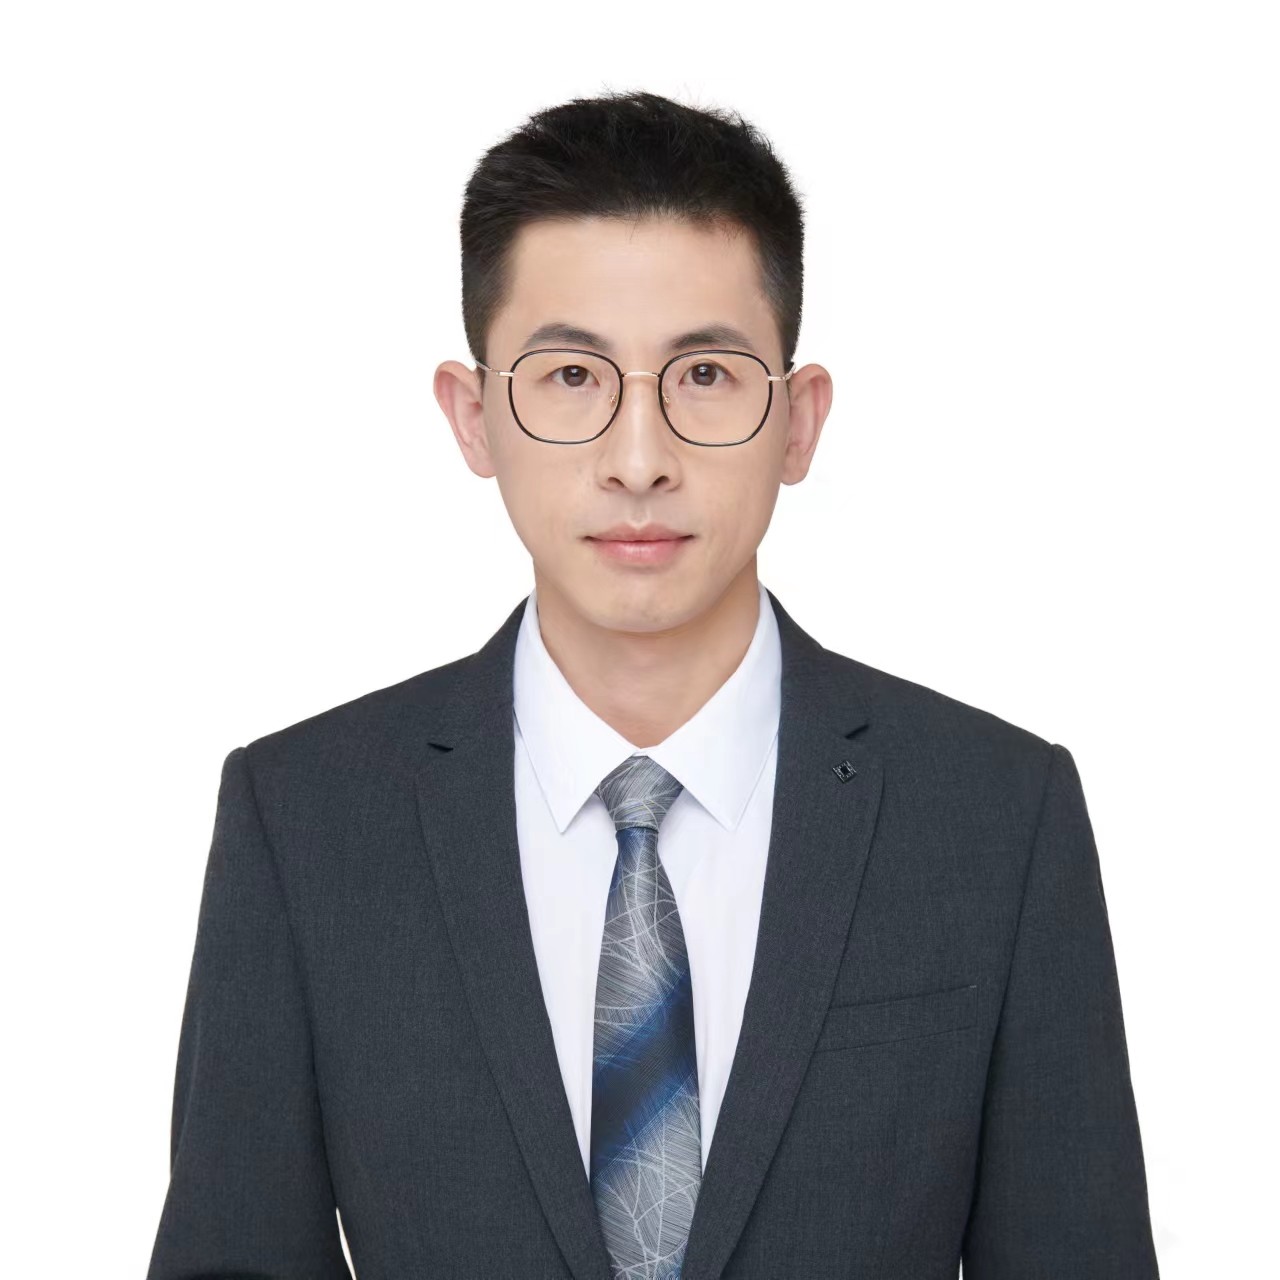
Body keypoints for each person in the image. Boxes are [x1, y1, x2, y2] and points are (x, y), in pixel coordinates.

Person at [146, 89, 1160, 1280]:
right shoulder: (306, 817)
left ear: (797, 421)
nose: (638, 460)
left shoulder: (993, 813)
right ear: (473, 417)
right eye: (571, 377)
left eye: (706, 376)